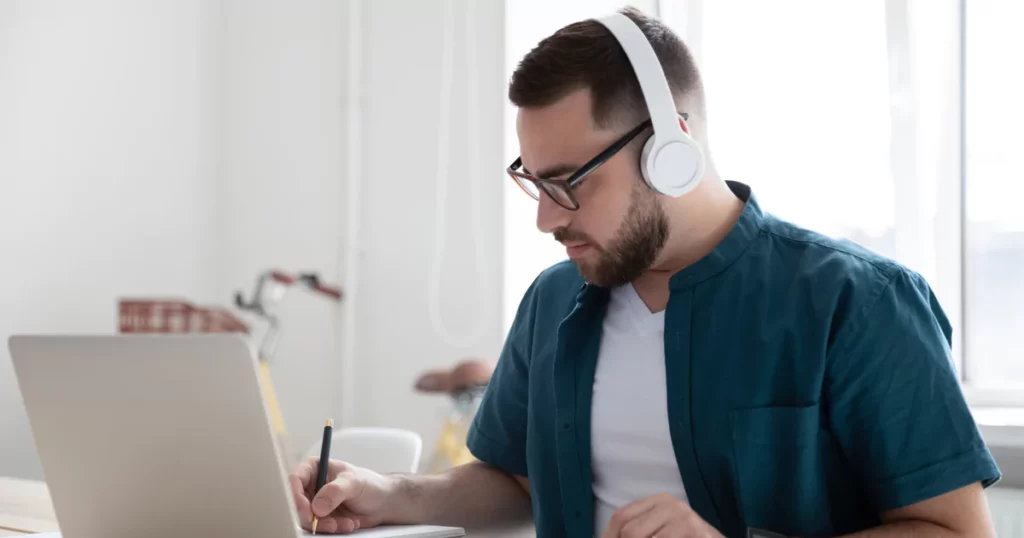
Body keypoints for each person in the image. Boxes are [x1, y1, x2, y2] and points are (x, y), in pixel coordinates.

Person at [290, 7, 1002, 537]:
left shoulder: (858, 303)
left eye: (569, 183)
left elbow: (956, 530)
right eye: (533, 183)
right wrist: (392, 494)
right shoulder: (554, 299)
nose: (546, 219)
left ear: (672, 149)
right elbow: (515, 482)